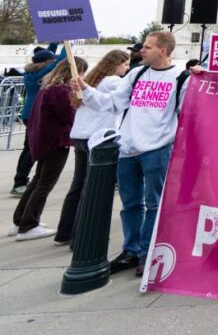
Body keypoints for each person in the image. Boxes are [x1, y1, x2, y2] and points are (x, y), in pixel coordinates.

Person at [70, 31, 188, 275]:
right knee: (130, 203)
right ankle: (131, 250)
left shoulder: (180, 77)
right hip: (127, 148)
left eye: (147, 47)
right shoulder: (136, 74)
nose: (141, 51)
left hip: (158, 148)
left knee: (154, 203)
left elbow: (188, 113)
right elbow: (112, 103)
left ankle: (148, 250)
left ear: (162, 50)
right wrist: (86, 90)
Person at [54, 50, 130, 245]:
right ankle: (81, 235)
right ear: (116, 65)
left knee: (78, 186)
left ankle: (65, 231)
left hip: (80, 134)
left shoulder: (92, 78)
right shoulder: (114, 82)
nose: (127, 69)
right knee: (92, 189)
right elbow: (124, 100)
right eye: (125, 65)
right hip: (97, 137)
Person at [9, 57, 87, 241]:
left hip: (45, 140)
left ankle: (20, 220)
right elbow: (69, 115)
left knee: (37, 181)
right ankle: (28, 224)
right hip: (55, 141)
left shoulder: (48, 87)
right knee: (44, 184)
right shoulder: (60, 91)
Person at [11, 44, 66, 196]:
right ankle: (20, 183)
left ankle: (20, 180)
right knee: (31, 150)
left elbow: (48, 57)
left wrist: (54, 43)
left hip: (29, 113)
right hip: (36, 114)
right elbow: (60, 61)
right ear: (47, 62)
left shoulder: (31, 72)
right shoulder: (42, 74)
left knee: (28, 149)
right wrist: (69, 40)